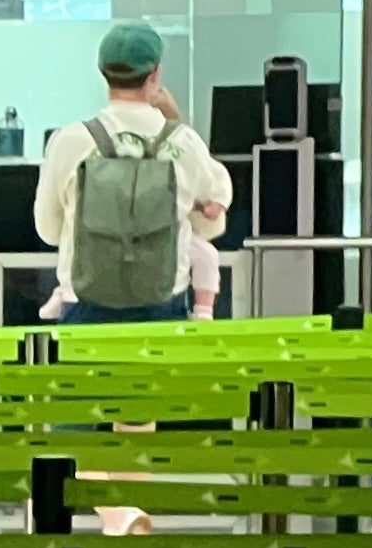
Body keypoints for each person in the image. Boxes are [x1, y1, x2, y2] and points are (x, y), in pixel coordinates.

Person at [33, 20, 230, 325]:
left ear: (102, 72)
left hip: (83, 306)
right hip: (163, 306)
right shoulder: (183, 142)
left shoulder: (70, 140)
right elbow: (211, 223)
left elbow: (48, 230)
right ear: (155, 74)